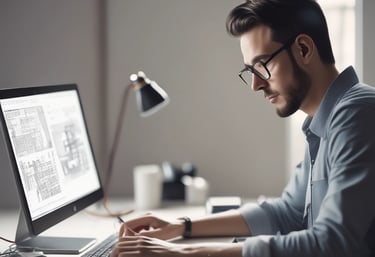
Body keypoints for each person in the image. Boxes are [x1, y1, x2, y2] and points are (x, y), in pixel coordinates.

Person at [110, 0, 375, 256]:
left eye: (262, 65)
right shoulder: (324, 123)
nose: (255, 85)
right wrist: (182, 226)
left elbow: (334, 243)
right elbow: (287, 212)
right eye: (250, 70)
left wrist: (184, 253)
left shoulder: (358, 114)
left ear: (304, 49)